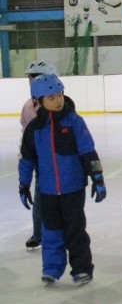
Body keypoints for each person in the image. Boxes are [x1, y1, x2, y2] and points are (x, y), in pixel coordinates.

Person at [18, 74, 106, 285]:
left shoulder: (74, 121)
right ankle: (51, 268)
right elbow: (27, 159)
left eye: (60, 95)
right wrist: (23, 185)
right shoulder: (34, 129)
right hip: (47, 190)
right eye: (52, 97)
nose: (58, 100)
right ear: (38, 101)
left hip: (73, 188)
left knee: (75, 230)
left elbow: (88, 151)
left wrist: (97, 178)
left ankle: (82, 268)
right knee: (50, 231)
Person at [20, 60, 59, 251]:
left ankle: (62, 231)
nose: (30, 82)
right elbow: (27, 134)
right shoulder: (29, 107)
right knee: (41, 195)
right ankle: (38, 233)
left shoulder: (60, 104)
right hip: (42, 159)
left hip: (61, 157)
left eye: (32, 78)